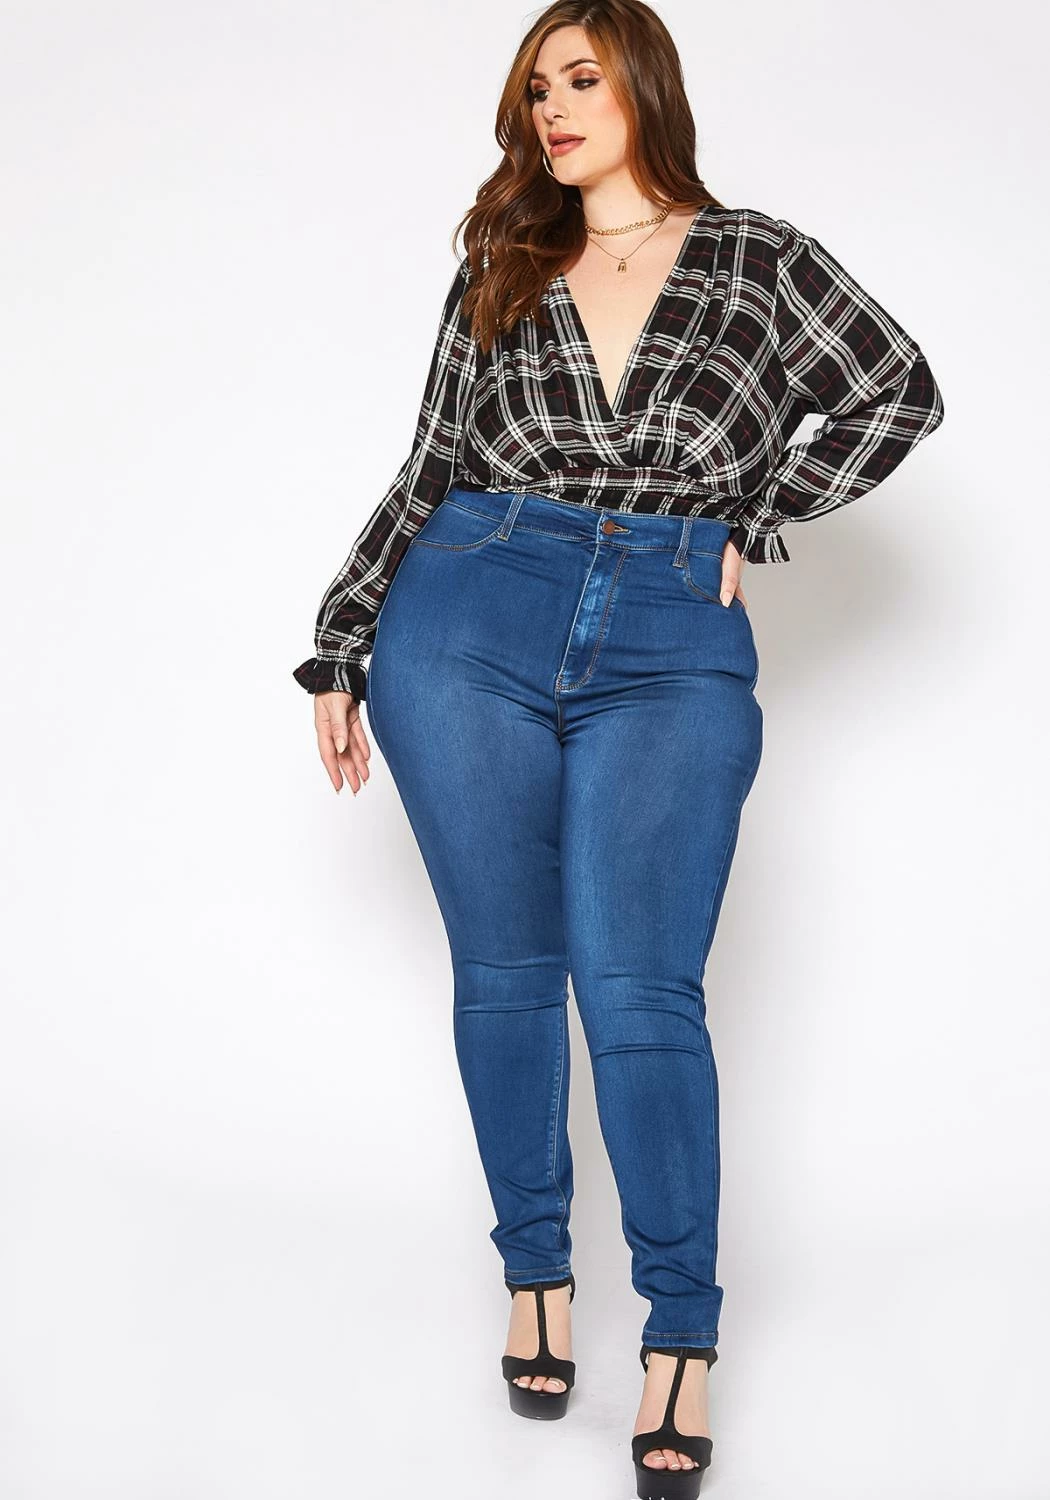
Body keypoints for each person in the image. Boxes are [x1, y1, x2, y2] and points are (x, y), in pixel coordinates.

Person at [291, 1, 944, 1491]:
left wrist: (759, 506)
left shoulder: (757, 258)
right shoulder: (502, 265)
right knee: (505, 972)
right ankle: (535, 1275)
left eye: (580, 79)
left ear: (644, 84)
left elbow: (898, 390)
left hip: (668, 626)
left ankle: (680, 1337)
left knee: (642, 988)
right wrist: (341, 634)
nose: (553, 111)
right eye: (536, 90)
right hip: (471, 604)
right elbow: (430, 463)